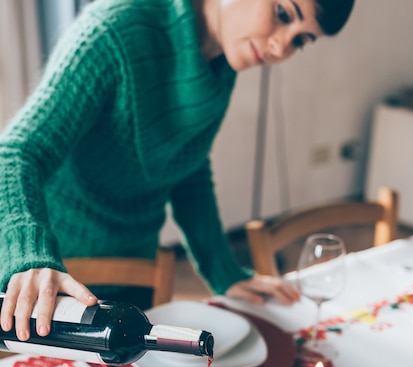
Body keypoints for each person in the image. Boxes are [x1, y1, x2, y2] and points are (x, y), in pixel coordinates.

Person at [0, 0, 355, 341]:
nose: (281, 47)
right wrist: (31, 257)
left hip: (133, 268)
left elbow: (188, 167)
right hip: (49, 274)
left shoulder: (222, 66)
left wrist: (224, 272)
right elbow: (17, 153)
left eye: (300, 41)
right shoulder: (113, 30)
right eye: (282, 13)